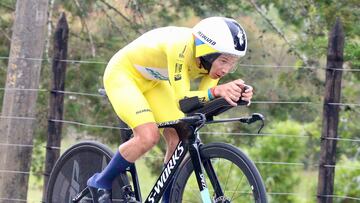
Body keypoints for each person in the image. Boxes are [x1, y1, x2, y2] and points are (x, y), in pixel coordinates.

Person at [87, 16, 253, 203]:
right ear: (207, 51)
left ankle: (168, 200)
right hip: (123, 74)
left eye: (232, 63)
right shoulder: (181, 46)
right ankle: (100, 182)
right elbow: (183, 101)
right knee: (148, 136)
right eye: (223, 61)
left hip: (154, 80)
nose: (226, 69)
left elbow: (199, 106)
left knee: (179, 133)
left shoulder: (210, 66)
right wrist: (217, 91)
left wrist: (233, 97)